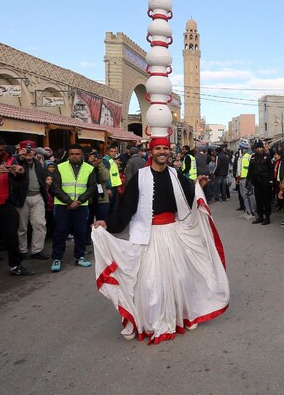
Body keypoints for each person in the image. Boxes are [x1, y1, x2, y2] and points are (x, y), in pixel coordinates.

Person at [91, 137, 229, 343]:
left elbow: (190, 198)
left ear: (169, 152)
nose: (162, 152)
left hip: (173, 232)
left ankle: (184, 314)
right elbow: (126, 207)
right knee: (148, 282)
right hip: (148, 234)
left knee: (181, 276)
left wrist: (199, 186)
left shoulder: (176, 175)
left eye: (165, 148)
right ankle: (143, 320)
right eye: (158, 149)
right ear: (152, 151)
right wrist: (108, 224)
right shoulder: (140, 177)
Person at [48, 143, 98, 272]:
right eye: (72, 154)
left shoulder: (89, 168)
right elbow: (54, 188)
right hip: (62, 205)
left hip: (81, 206)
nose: (74, 156)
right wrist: (69, 201)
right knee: (60, 232)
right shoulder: (60, 167)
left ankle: (80, 256)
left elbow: (92, 188)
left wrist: (79, 201)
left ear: (82, 155)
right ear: (68, 155)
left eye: (77, 154)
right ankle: (57, 258)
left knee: (81, 232)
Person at [0, 135, 33, 276]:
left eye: (1, 150)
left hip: (6, 203)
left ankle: (15, 265)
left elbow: (20, 179)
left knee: (12, 235)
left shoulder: (9, 158)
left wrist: (20, 172)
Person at [16, 143, 51, 260]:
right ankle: (22, 250)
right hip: (22, 198)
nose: (29, 152)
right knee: (22, 227)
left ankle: (37, 250)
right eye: (26, 150)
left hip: (37, 196)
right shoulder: (16, 162)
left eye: (31, 150)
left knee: (40, 224)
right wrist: (20, 159)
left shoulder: (38, 164)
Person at [248, 141, 273, 224]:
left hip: (265, 182)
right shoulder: (253, 157)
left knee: (266, 200)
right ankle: (260, 216)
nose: (259, 149)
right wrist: (248, 180)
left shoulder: (267, 157)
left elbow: (271, 170)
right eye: (258, 148)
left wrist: (270, 180)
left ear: (263, 148)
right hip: (257, 182)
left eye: (260, 147)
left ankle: (267, 217)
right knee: (258, 200)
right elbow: (250, 170)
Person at [234, 141, 254, 219]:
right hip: (241, 178)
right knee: (243, 196)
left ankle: (251, 213)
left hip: (247, 179)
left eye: (242, 148)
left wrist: (250, 179)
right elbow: (239, 168)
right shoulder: (241, 156)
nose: (242, 149)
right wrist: (237, 177)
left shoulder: (249, 156)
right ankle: (247, 211)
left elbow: (251, 168)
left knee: (247, 196)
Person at [103, 143, 122, 216]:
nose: (114, 153)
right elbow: (106, 175)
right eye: (112, 151)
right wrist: (107, 187)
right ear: (107, 152)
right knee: (110, 207)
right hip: (110, 187)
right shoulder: (106, 161)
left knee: (114, 207)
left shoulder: (111, 160)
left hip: (114, 186)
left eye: (115, 151)